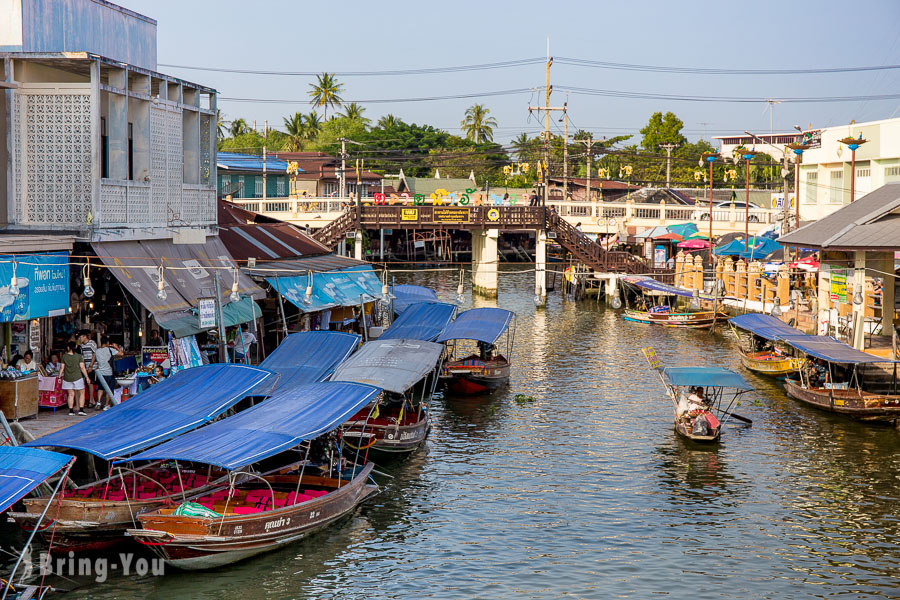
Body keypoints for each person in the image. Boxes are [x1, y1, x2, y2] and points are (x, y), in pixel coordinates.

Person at [60, 341, 90, 416]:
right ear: (76, 347)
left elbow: (62, 368)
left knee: (70, 394)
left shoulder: (64, 356)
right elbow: (82, 368)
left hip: (67, 378)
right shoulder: (79, 356)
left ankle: (71, 411)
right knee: (81, 393)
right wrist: (87, 377)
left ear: (68, 348)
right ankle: (81, 410)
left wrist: (59, 376)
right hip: (78, 377)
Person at [93, 336, 122, 410]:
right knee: (109, 389)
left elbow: (93, 359)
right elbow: (121, 354)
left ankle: (98, 403)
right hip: (109, 373)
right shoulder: (110, 350)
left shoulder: (97, 351)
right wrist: (116, 347)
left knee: (100, 388)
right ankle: (106, 405)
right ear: (107, 343)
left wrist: (90, 366)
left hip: (100, 373)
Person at [77, 330, 98, 408]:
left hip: (92, 366)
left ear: (85, 336)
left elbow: (95, 354)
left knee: (90, 383)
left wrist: (91, 366)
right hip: (85, 367)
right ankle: (91, 400)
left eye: (80, 337)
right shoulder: (82, 346)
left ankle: (91, 400)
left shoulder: (92, 343)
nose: (79, 339)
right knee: (87, 383)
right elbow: (82, 356)